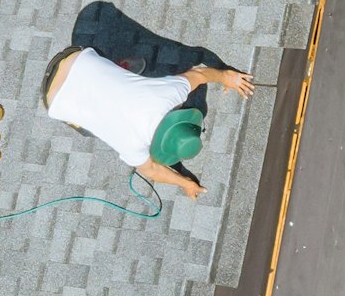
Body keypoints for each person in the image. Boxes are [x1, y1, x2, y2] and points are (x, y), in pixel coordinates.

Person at [40, 45, 253, 198]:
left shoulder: (168, 95)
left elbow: (199, 74)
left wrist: (226, 77)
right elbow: (150, 170)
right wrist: (185, 183)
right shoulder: (131, 146)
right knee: (87, 129)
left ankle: (121, 67)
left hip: (76, 57)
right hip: (52, 100)